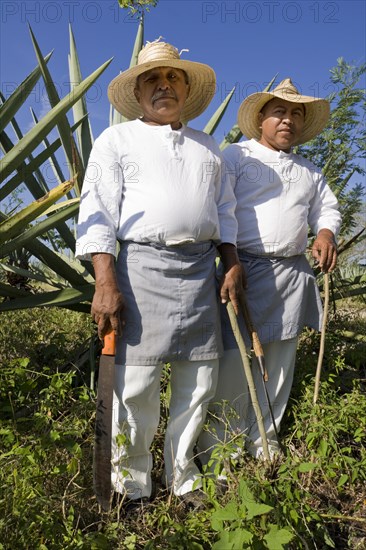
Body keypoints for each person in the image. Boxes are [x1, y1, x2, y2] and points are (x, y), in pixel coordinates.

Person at [75, 39, 243, 508]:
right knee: (137, 385)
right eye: (153, 78)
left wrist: (230, 264)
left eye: (173, 78)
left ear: (186, 90)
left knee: (199, 381)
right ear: (139, 91)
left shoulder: (208, 147)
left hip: (199, 271)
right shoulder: (117, 141)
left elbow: (225, 212)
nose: (164, 85)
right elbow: (98, 211)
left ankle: (184, 477)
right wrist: (105, 282)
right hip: (139, 267)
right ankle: (132, 486)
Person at [198, 78, 341, 465]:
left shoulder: (309, 171)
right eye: (279, 111)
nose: (288, 120)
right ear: (261, 118)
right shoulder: (236, 158)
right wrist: (231, 262)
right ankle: (218, 452)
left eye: (296, 113)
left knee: (279, 363)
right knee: (233, 363)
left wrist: (325, 232)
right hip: (241, 270)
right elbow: (220, 209)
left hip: (292, 274)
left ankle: (265, 445)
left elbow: (327, 209)